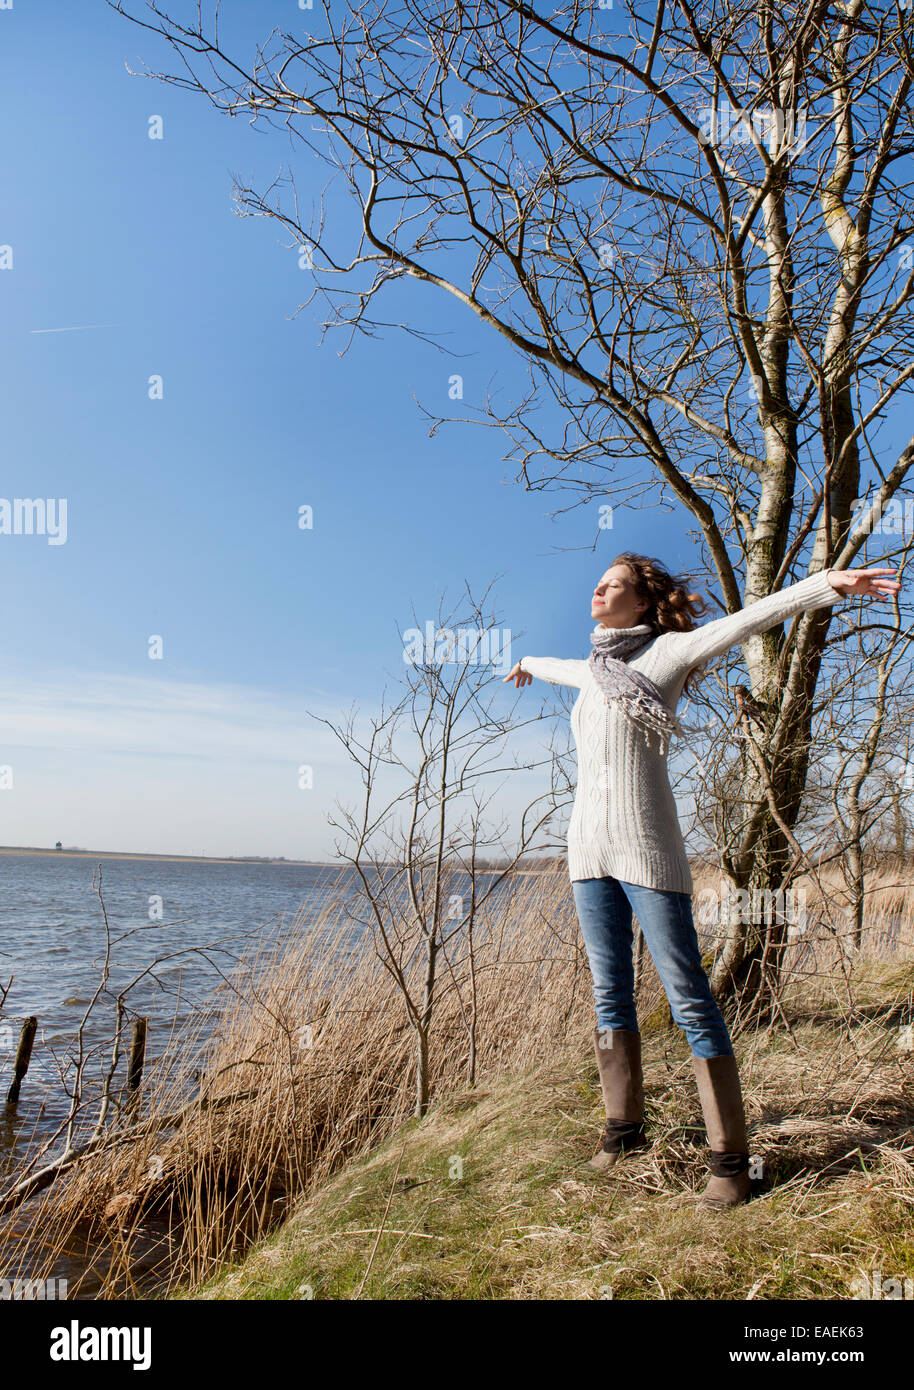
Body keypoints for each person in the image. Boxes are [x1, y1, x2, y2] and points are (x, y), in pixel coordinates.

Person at [503, 555, 900, 1207]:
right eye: (598, 583)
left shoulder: (669, 654)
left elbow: (751, 620)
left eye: (614, 585)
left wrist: (825, 585)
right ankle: (623, 1129)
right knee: (610, 992)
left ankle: (730, 1164)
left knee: (689, 997)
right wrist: (525, 665)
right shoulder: (591, 671)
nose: (598, 590)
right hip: (586, 855)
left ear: (642, 602)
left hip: (647, 852)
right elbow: (552, 665)